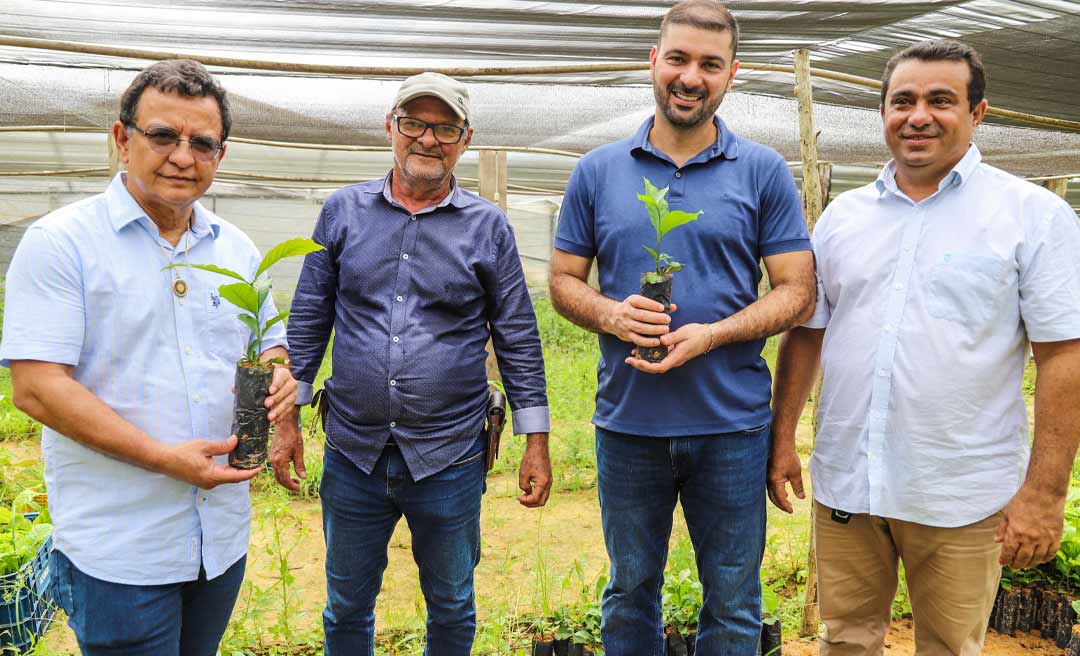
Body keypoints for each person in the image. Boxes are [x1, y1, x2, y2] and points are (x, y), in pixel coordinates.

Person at [769, 39, 1080, 655]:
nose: (919, 116)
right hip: (849, 484)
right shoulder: (843, 217)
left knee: (949, 645)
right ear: (882, 112)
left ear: (978, 112)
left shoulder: (1031, 216)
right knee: (846, 640)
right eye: (902, 100)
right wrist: (781, 442)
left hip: (961, 491)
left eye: (941, 100)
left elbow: (1064, 356)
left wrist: (1044, 494)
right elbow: (806, 335)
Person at [0, 59, 297, 656]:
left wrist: (282, 375)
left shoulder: (235, 248)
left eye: (202, 142)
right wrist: (164, 458)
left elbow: (269, 341)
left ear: (221, 153)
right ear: (122, 138)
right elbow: (35, 386)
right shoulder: (63, 242)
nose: (183, 156)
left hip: (219, 539)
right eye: (163, 135)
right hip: (121, 549)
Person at [548, 1, 815, 652]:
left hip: (733, 429)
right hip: (629, 426)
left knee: (732, 599)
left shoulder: (762, 171)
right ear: (653, 62)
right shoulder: (598, 171)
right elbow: (561, 280)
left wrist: (715, 334)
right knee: (630, 589)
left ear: (731, 74)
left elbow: (798, 292)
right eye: (678, 58)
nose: (691, 76)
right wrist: (610, 312)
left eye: (710, 64)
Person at [272, 71, 552, 654]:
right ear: (391, 129)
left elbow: (518, 334)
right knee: (347, 605)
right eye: (414, 124)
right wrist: (287, 419)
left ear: (465, 139)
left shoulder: (488, 227)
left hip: (450, 454)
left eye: (444, 127)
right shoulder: (343, 211)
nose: (428, 139)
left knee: (451, 605)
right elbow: (308, 318)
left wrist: (536, 439)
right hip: (354, 451)